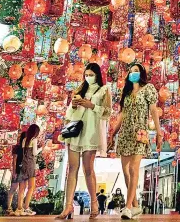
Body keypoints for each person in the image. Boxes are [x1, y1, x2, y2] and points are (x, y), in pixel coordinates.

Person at [56, 63, 112, 220]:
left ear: (97, 75)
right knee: (72, 168)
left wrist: (92, 105)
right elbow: (69, 113)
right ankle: (67, 207)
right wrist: (74, 105)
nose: (88, 77)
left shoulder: (104, 90)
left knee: (88, 169)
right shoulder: (80, 89)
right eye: (86, 74)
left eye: (91, 74)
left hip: (91, 132)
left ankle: (94, 203)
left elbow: (107, 112)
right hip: (75, 130)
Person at [109, 64, 163, 219]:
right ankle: (136, 206)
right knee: (125, 170)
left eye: (136, 71)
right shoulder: (125, 92)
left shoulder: (148, 89)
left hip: (140, 133)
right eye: (131, 71)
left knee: (133, 169)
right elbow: (122, 114)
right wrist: (113, 133)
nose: (133, 73)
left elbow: (153, 111)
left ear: (141, 73)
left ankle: (127, 207)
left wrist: (158, 133)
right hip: (125, 133)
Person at [14, 124, 42, 216]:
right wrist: (41, 148)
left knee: (22, 188)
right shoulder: (34, 140)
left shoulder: (24, 140)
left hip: (23, 165)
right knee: (31, 187)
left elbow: (22, 153)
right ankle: (26, 207)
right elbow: (34, 153)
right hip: (30, 165)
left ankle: (19, 209)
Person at [6, 132, 26, 215]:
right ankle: (8, 207)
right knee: (13, 188)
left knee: (21, 189)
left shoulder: (27, 148)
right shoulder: (17, 147)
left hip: (23, 171)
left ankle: (19, 208)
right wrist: (14, 171)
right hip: (17, 170)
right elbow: (14, 160)